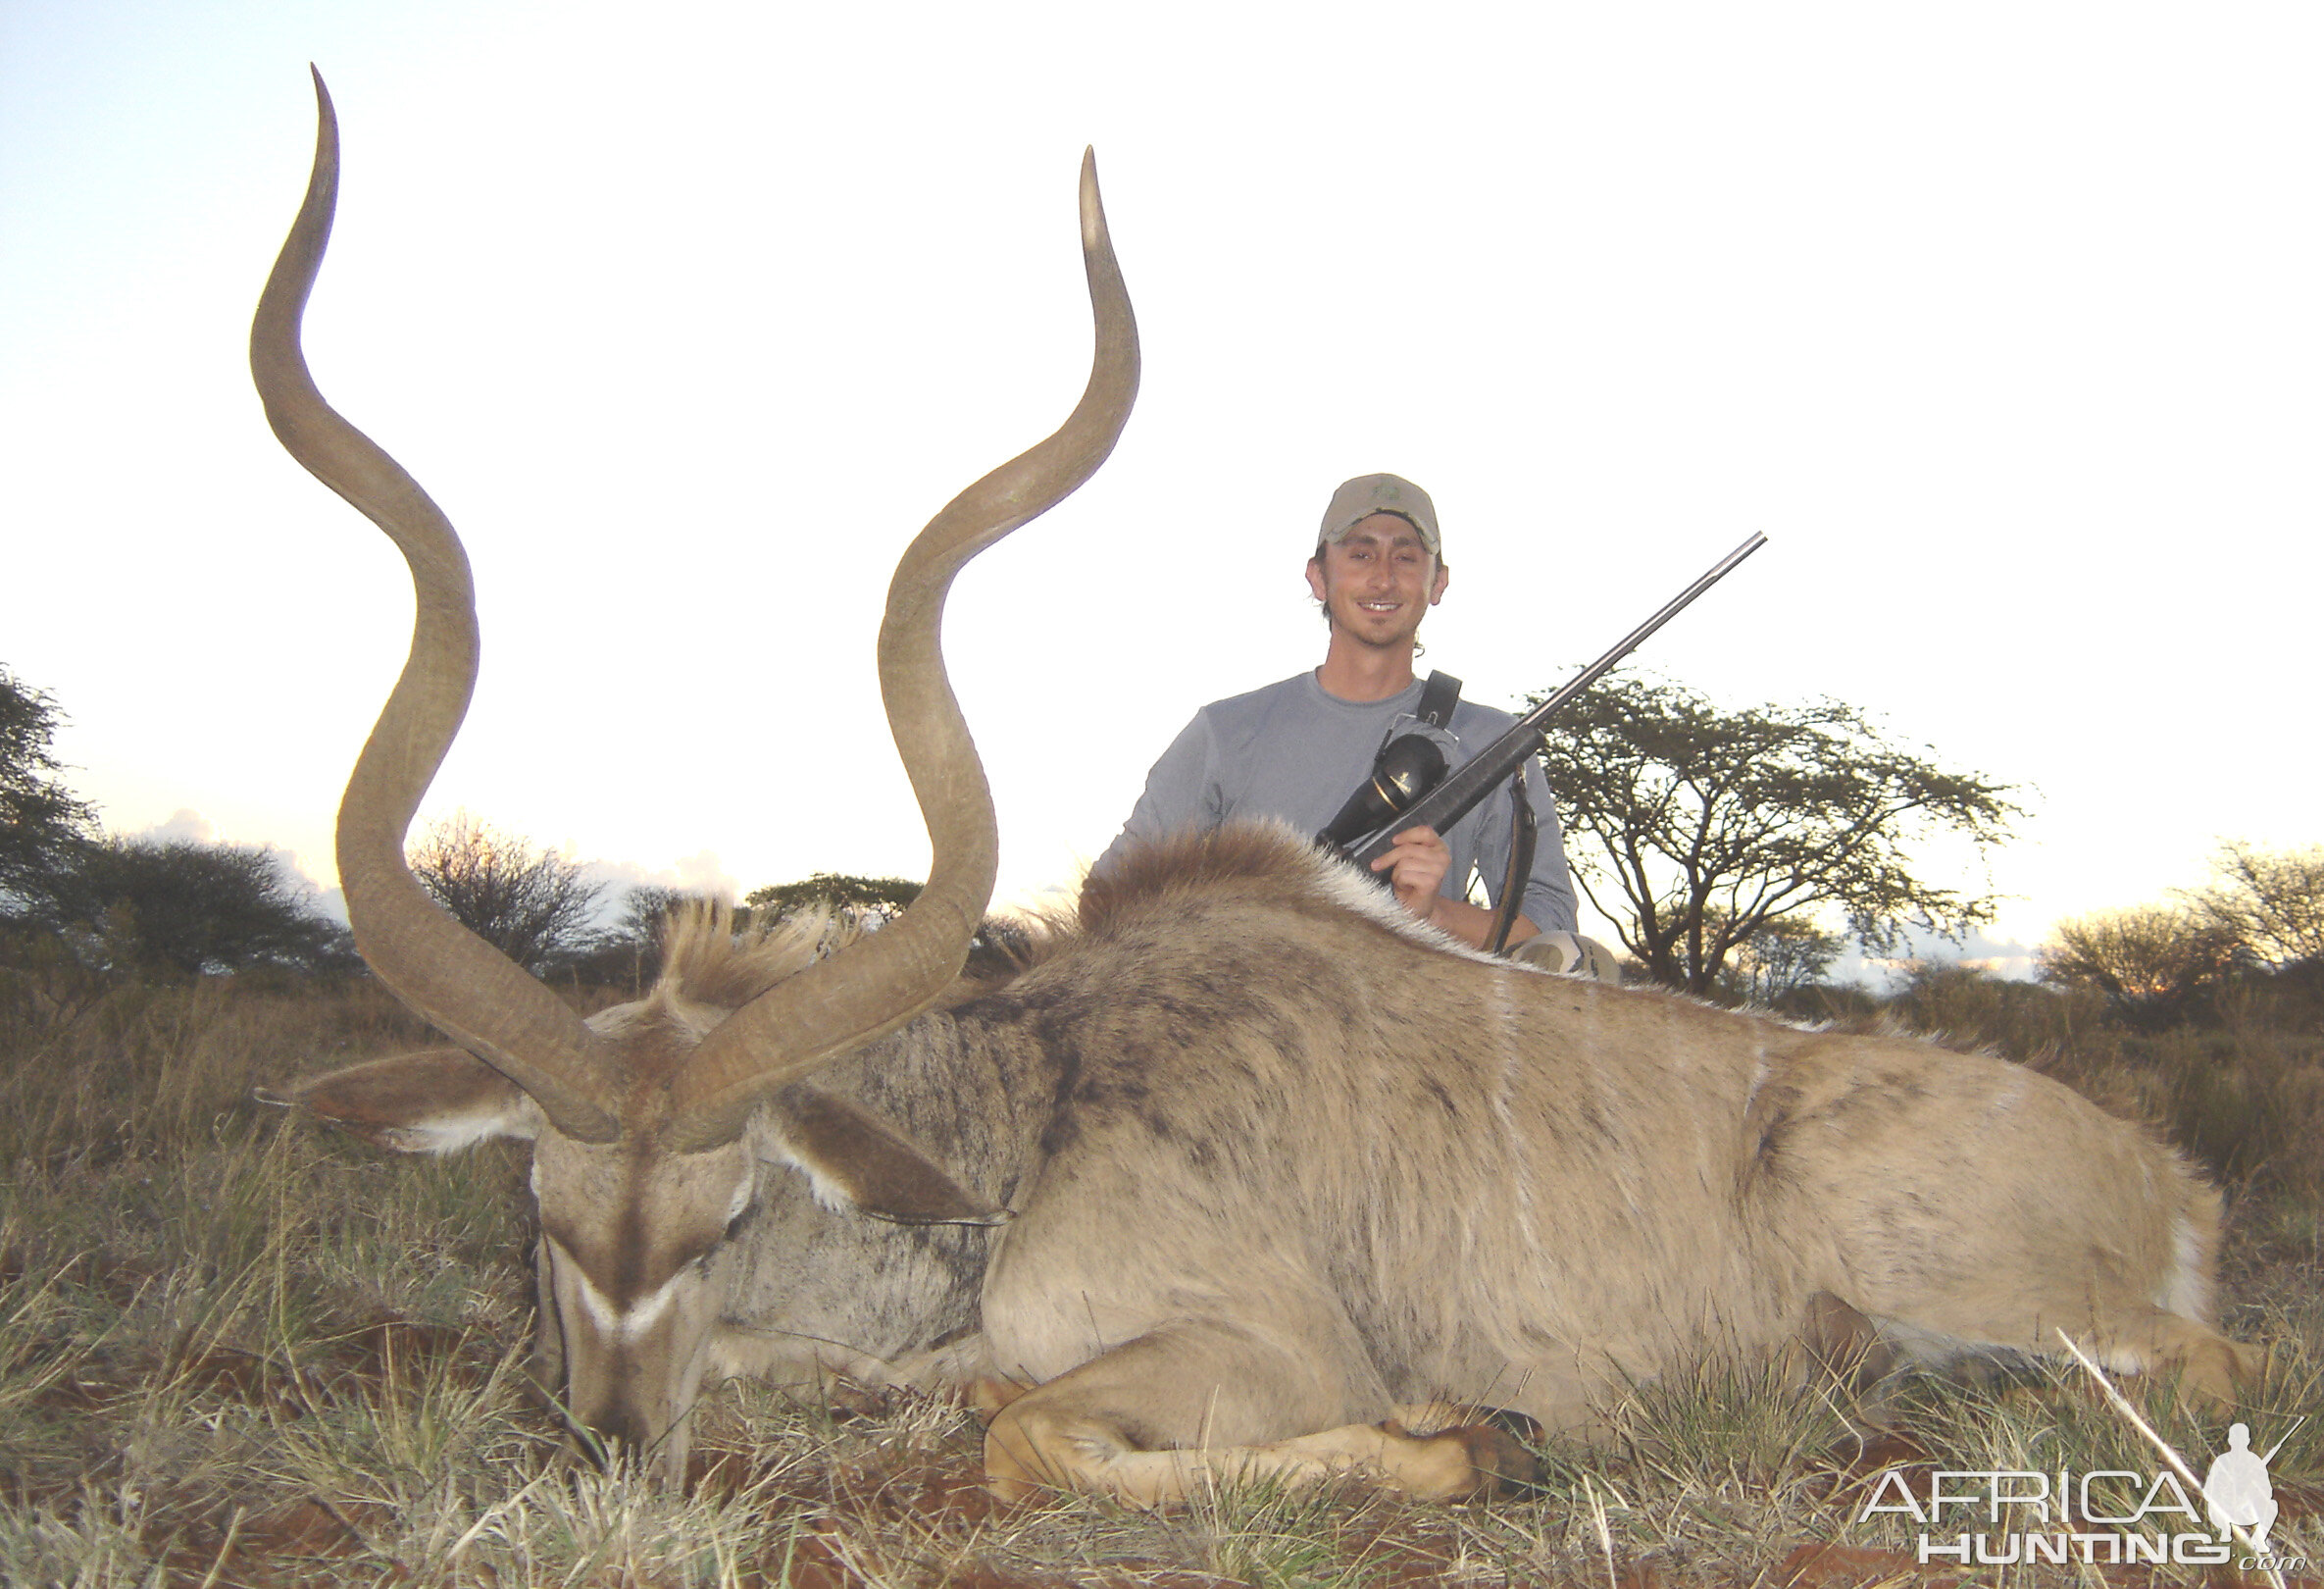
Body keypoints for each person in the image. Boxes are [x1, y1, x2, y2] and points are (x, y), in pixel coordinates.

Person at [1097, 473, 1579, 951]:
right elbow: (1105, 897)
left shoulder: (1490, 742)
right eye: (1360, 554)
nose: (1384, 577)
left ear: (1438, 582)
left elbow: (1552, 928)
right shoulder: (1224, 731)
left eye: (1407, 557)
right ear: (1318, 576)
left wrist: (1434, 914)